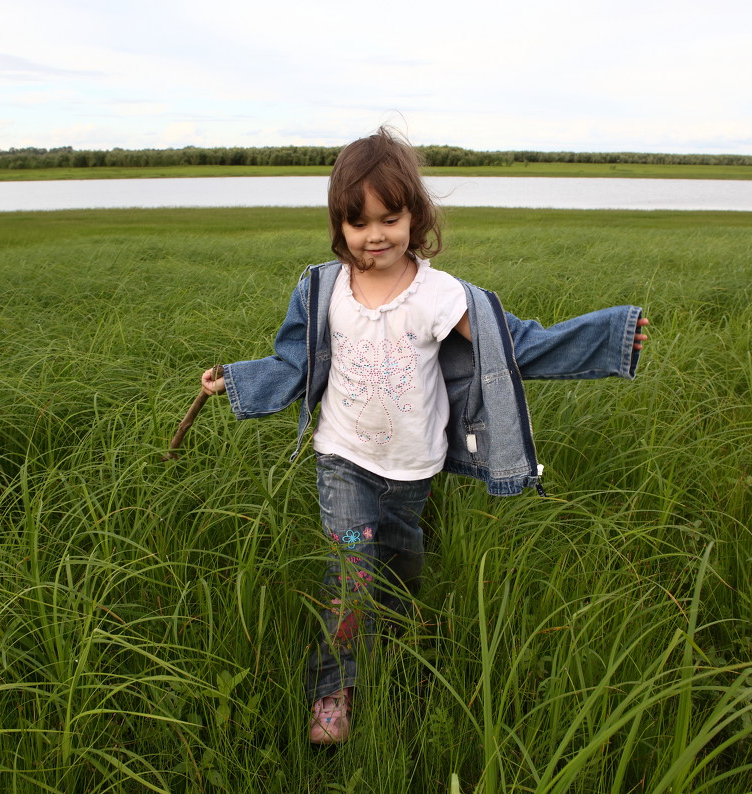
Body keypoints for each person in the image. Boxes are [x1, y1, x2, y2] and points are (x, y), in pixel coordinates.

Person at [199, 126, 649, 745]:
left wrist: (608, 337)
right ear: (339, 225)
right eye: (359, 223)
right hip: (343, 461)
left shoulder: (439, 295)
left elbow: (508, 346)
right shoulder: (324, 289)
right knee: (348, 577)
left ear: (416, 215)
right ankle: (333, 693)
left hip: (413, 470)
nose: (375, 236)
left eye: (390, 218)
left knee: (400, 576)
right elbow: (293, 362)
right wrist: (237, 380)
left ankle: (403, 655)